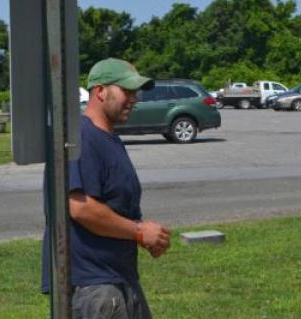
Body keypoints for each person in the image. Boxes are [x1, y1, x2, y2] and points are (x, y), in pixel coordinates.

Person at [42, 57, 171, 319]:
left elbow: (113, 206)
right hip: (94, 287)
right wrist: (137, 231)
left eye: (136, 92)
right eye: (127, 91)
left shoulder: (108, 139)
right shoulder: (81, 137)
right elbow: (80, 208)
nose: (134, 99)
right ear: (100, 91)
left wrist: (144, 233)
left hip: (118, 279)